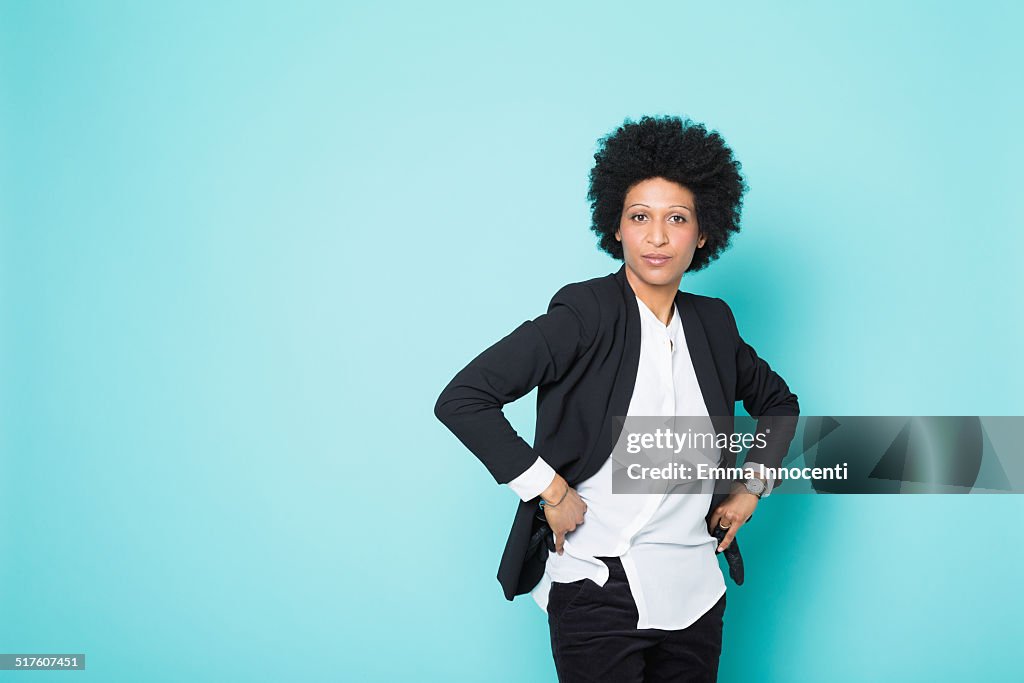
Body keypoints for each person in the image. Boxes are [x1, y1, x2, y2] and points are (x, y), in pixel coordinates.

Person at [434, 114, 800, 682]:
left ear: (703, 233)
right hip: (596, 585)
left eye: (676, 219)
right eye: (640, 218)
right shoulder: (584, 314)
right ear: (617, 228)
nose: (657, 236)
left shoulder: (714, 323)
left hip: (696, 590)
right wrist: (549, 489)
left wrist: (751, 487)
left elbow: (780, 404)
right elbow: (464, 398)